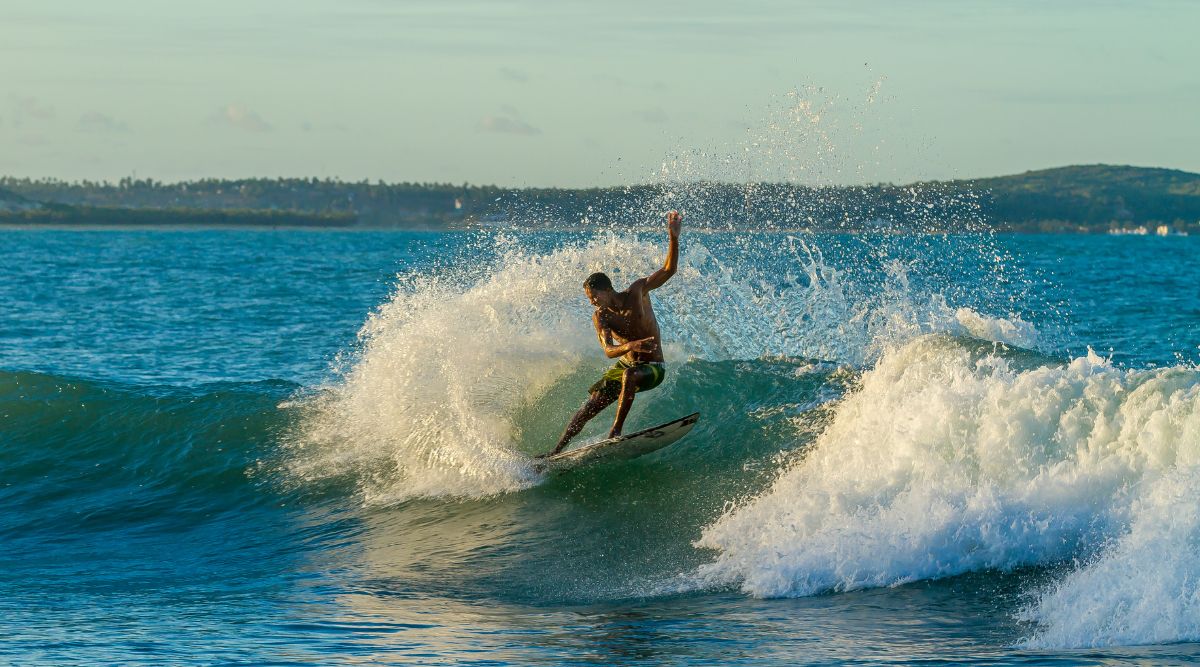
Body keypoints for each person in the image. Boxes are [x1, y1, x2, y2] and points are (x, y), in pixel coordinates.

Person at [541, 210, 682, 457]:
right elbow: (608, 351)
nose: (592, 302)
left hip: (653, 367)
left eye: (594, 297)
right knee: (588, 407)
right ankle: (555, 451)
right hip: (626, 363)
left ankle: (615, 433)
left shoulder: (638, 291)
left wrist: (673, 237)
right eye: (589, 299)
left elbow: (669, 270)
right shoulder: (601, 317)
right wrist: (629, 346)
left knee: (630, 375)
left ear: (607, 290)